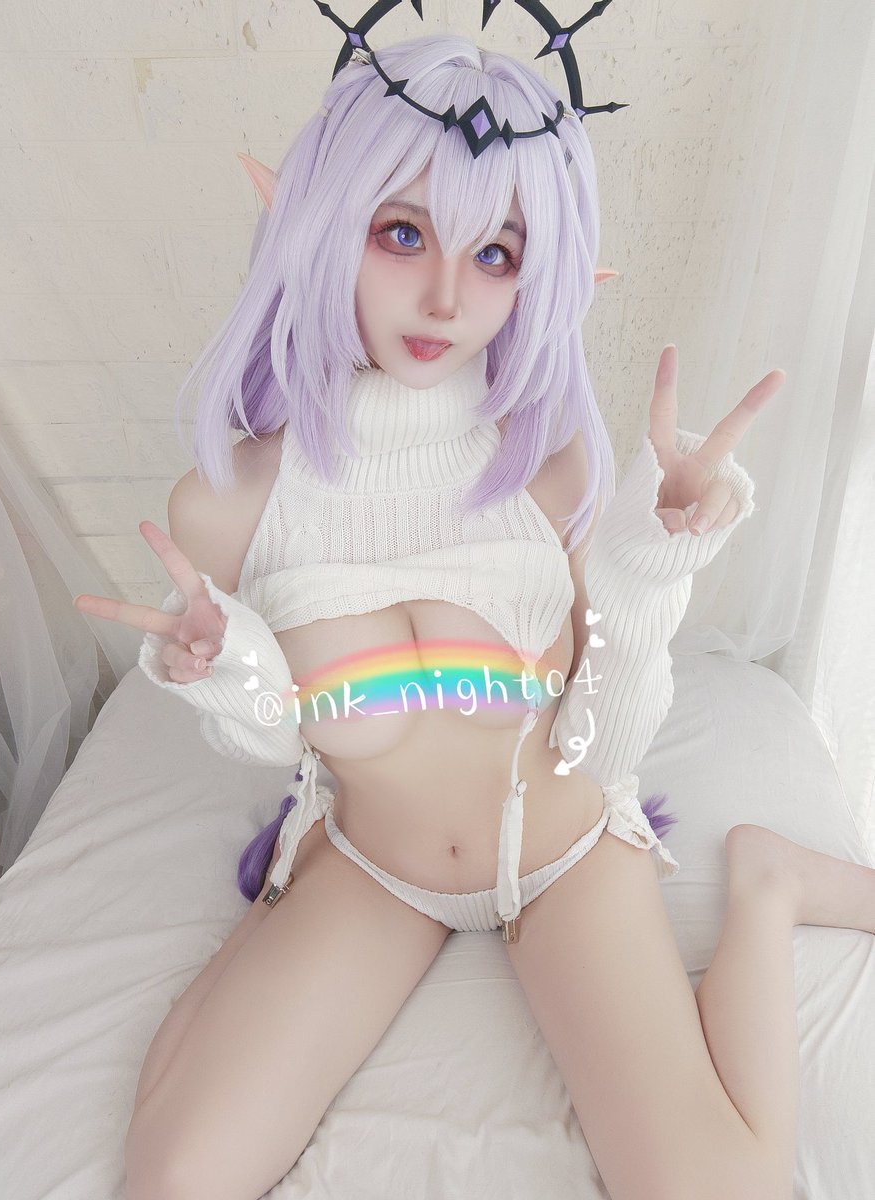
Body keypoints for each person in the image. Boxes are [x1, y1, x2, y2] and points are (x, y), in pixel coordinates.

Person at [73, 20, 875, 1200]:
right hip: (375, 866)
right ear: (319, 222)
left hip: (562, 853)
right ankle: (273, 918)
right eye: (403, 233)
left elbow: (605, 740)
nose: (447, 296)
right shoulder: (232, 503)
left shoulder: (545, 466)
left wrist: (650, 564)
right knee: (173, 1181)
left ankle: (773, 884)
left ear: (540, 277)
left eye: (497, 253)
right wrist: (230, 668)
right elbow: (277, 733)